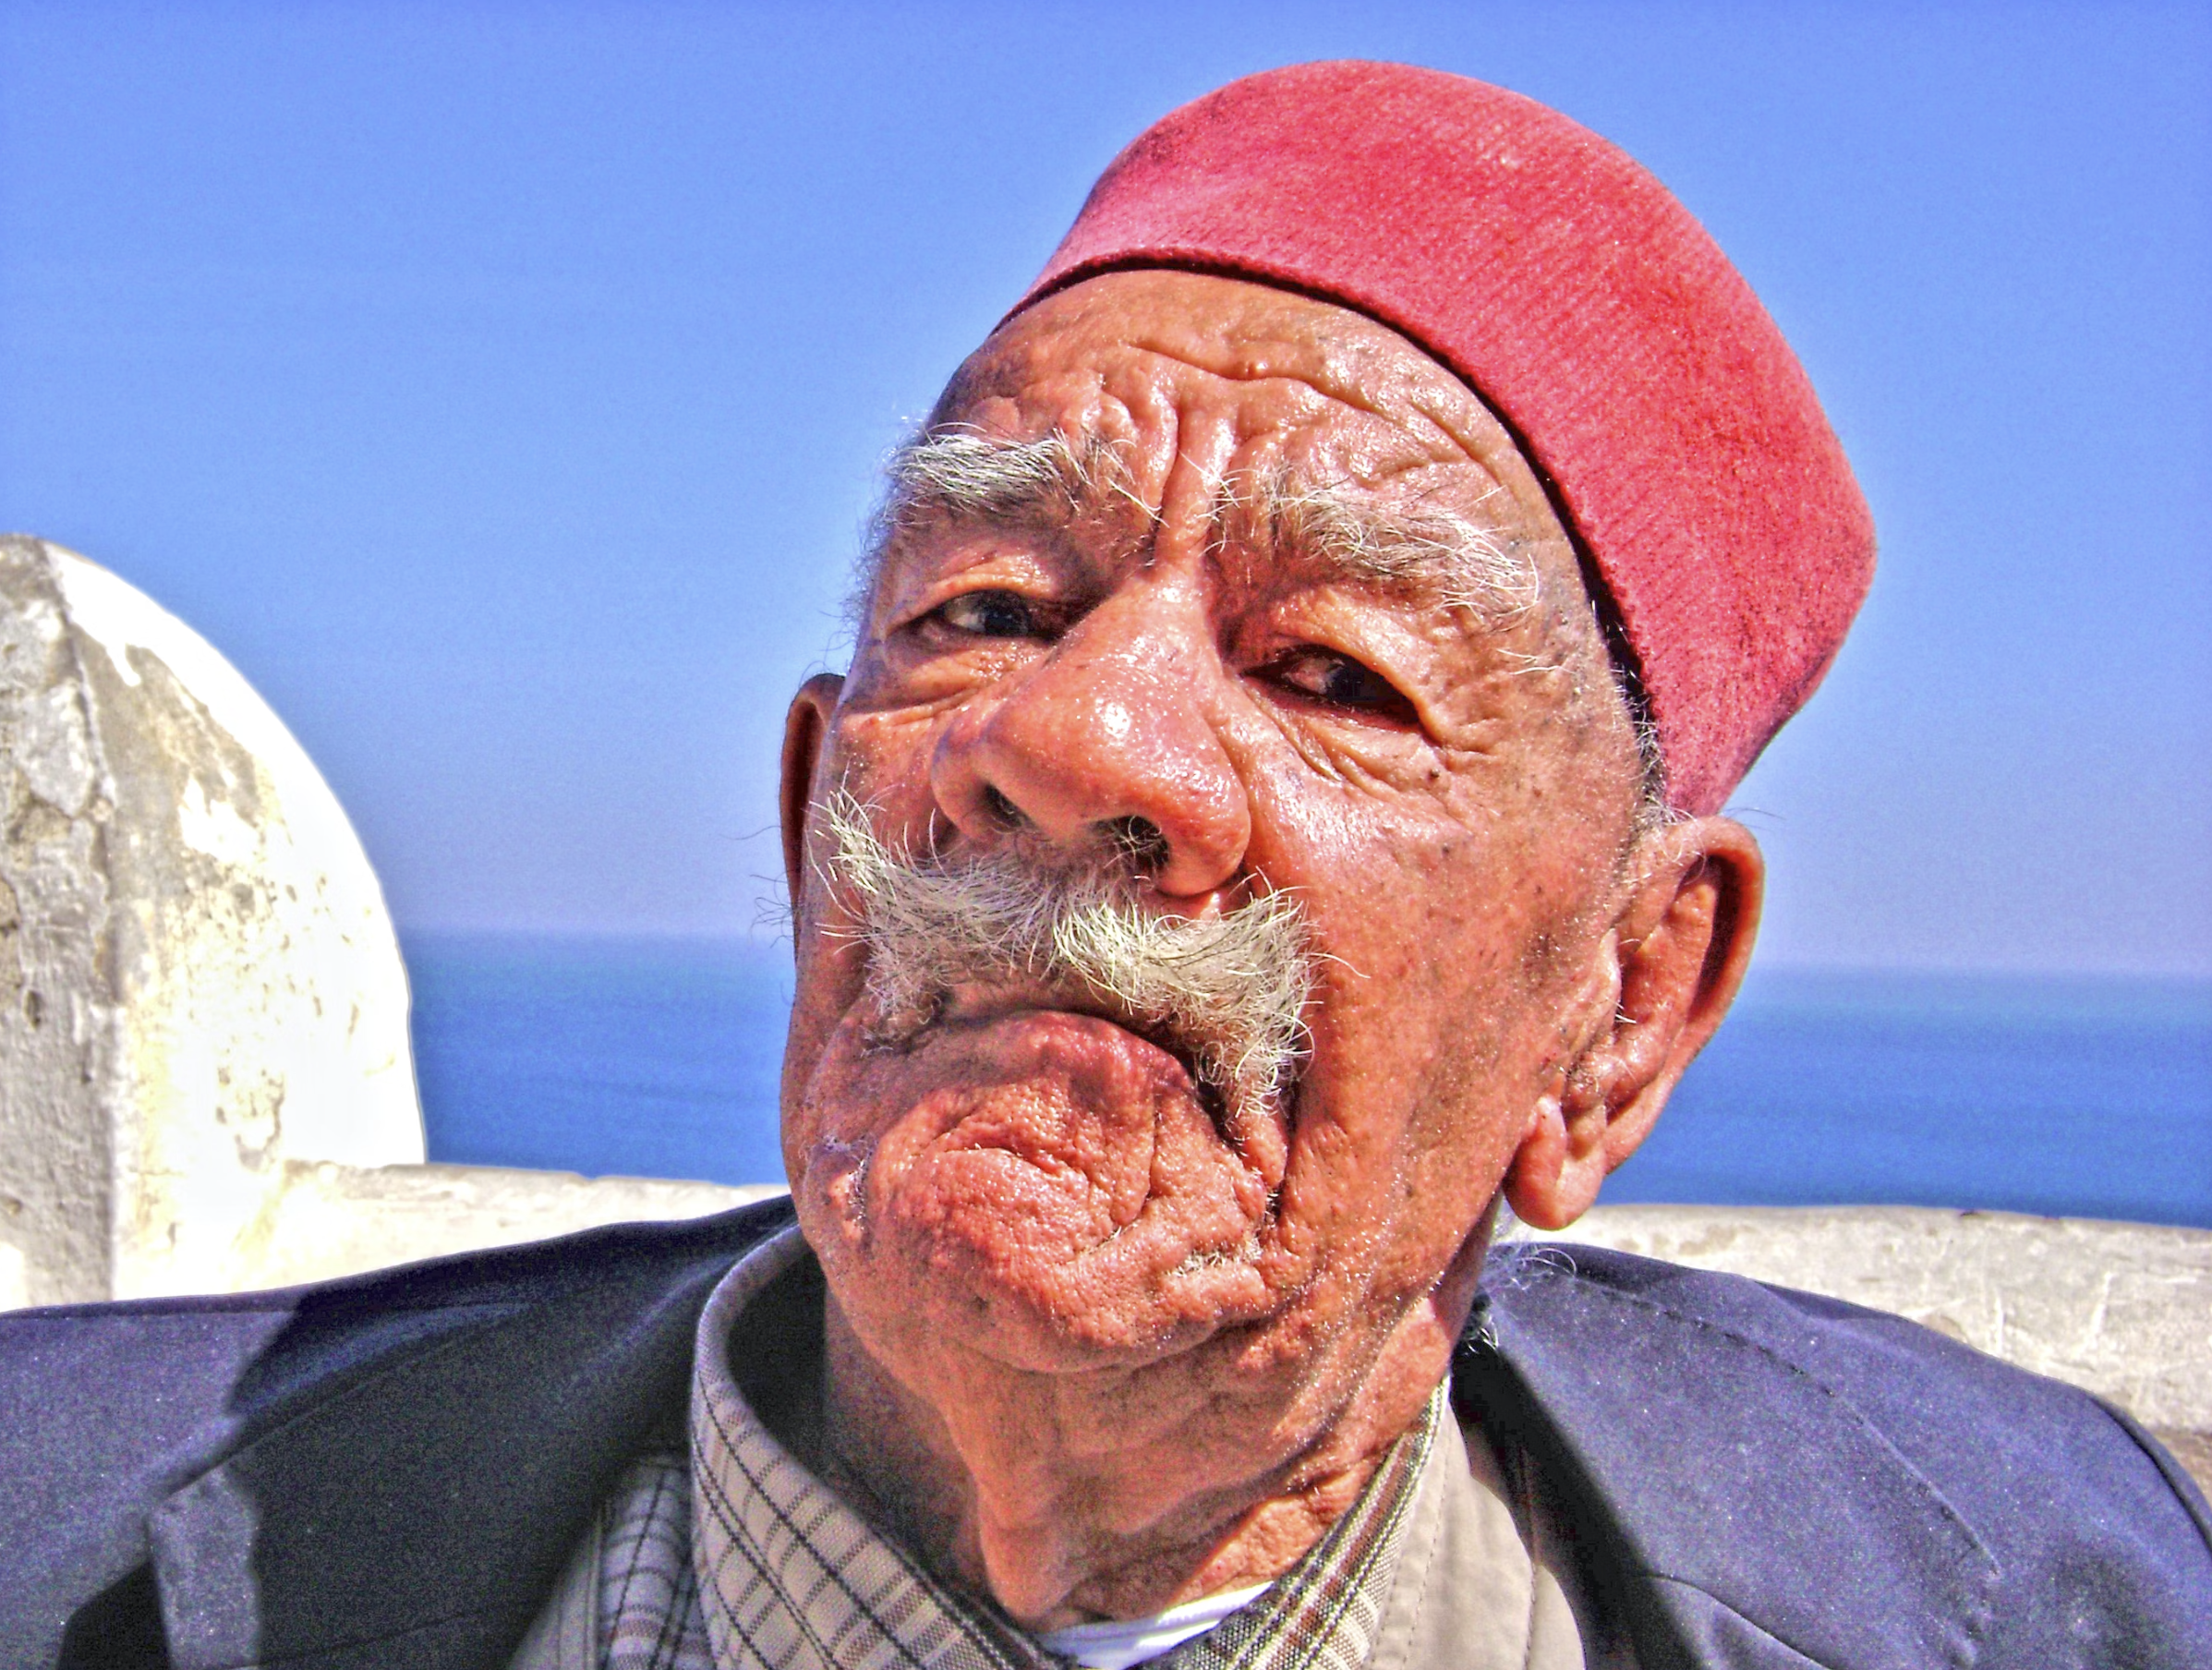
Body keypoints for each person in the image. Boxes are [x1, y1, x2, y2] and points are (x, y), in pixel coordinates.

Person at [3, 61, 2205, 1670]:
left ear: (1620, 1010)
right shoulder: (63, 1545)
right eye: (981, 610)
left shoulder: (2047, 1605)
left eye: (1330, 671)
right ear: (812, 837)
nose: (1068, 742)